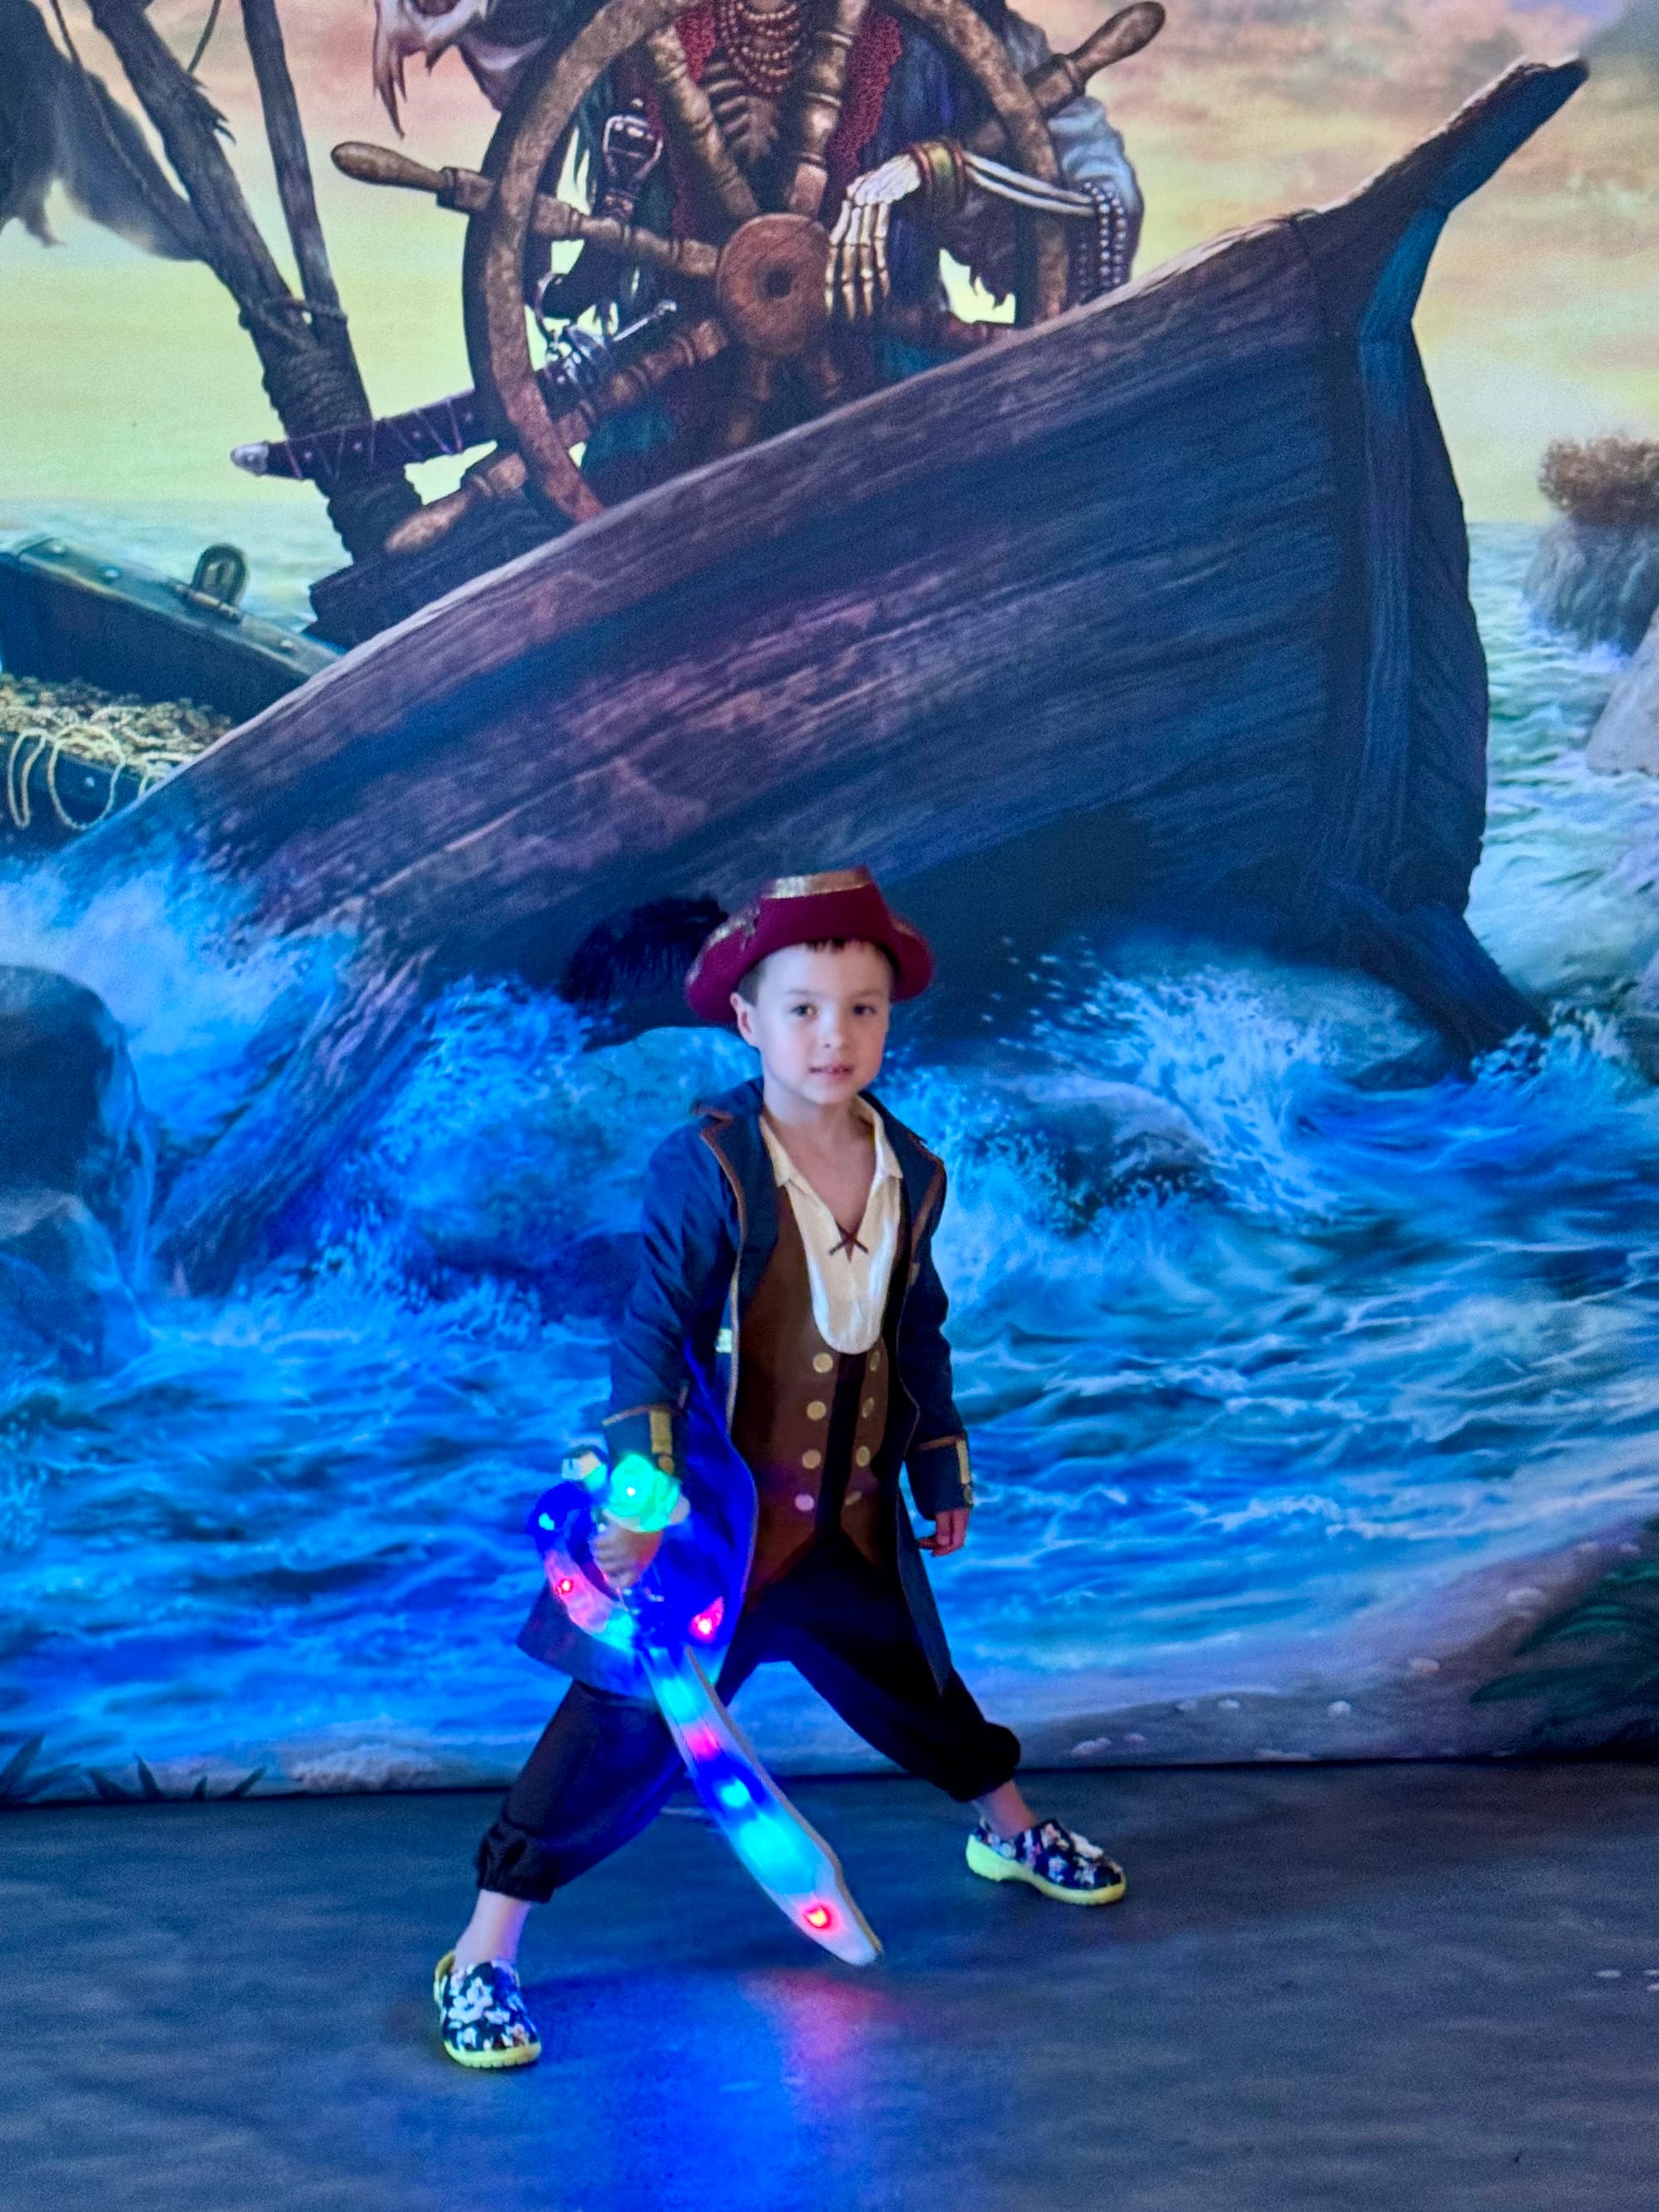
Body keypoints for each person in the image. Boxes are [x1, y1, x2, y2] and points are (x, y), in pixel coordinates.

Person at [434, 866, 1126, 2069]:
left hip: (847, 1528)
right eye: (802, 1009)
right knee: (614, 1735)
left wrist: (938, 1472)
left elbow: (917, 1333)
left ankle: (1005, 1828)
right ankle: (482, 1953)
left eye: (861, 1009)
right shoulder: (708, 1165)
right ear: (748, 1021)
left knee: (922, 1693)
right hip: (717, 1540)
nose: (833, 1036)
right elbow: (651, 1338)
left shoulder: (915, 1170)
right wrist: (642, 1503)